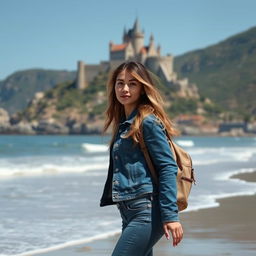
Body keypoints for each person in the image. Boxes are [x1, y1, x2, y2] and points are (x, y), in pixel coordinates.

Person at [100, 61, 183, 256]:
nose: (125, 89)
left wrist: (171, 216)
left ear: (142, 88)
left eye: (132, 83)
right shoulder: (124, 124)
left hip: (146, 212)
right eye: (120, 83)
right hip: (129, 212)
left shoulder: (148, 122)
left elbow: (167, 167)